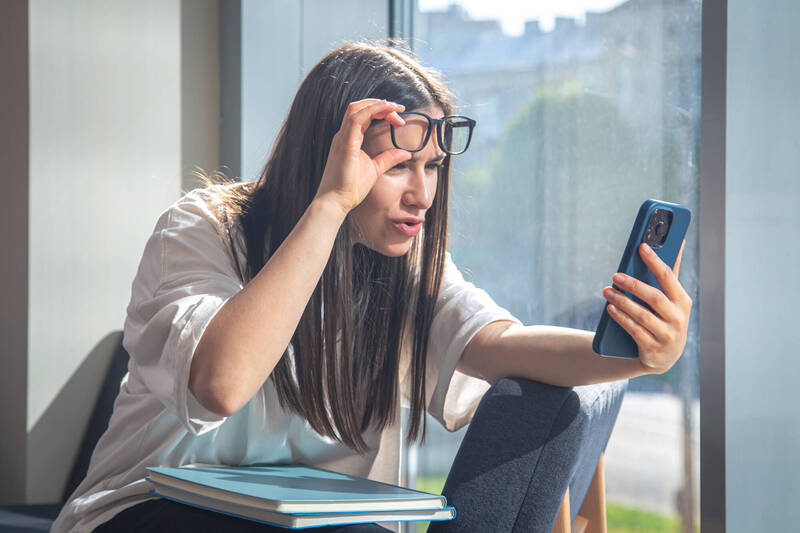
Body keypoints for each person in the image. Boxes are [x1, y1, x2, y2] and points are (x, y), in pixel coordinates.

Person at [52, 42, 692, 533]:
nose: (423, 194)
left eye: (433, 166)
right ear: (328, 156)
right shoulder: (202, 228)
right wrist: (330, 207)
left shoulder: (405, 267)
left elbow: (503, 346)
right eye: (396, 166)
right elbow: (223, 383)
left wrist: (640, 353)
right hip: (144, 512)